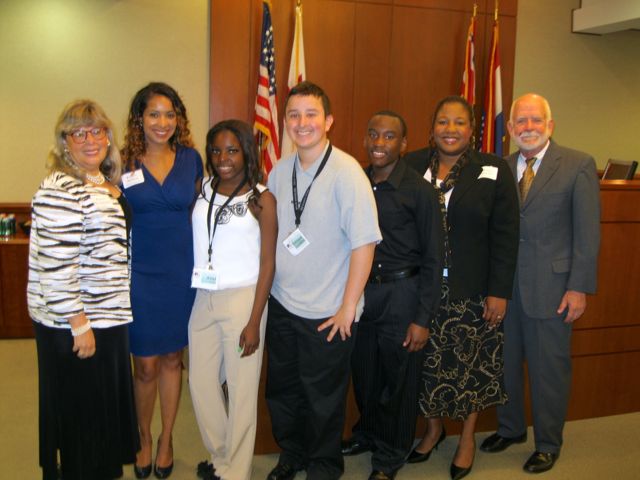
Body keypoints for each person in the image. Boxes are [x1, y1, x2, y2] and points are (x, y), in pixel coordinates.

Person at [265, 81, 382, 480]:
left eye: (311, 114)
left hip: (329, 313)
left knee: (324, 401)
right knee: (283, 393)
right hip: (283, 304)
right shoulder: (281, 171)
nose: (302, 123)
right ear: (285, 121)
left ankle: (323, 467)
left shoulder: (348, 173)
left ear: (328, 120)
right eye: (294, 115)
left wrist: (348, 307)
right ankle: (292, 455)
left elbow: (364, 244)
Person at [480, 93, 601, 474]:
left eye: (536, 121)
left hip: (553, 288)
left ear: (550, 125)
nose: (528, 127)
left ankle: (548, 442)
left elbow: (587, 232)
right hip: (504, 288)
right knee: (506, 364)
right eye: (521, 121)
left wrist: (578, 286)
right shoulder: (498, 167)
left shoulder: (578, 164)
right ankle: (511, 428)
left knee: (549, 370)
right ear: (511, 128)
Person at [405, 95, 520, 480]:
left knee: (472, 367)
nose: (450, 130)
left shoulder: (494, 168)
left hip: (474, 289)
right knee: (426, 365)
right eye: (442, 122)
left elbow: (505, 235)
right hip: (422, 289)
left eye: (458, 123)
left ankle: (467, 437)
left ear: (472, 130)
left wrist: (498, 290)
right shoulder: (412, 164)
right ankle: (434, 428)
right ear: (431, 127)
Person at [27, 99, 139, 480]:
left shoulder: (101, 182)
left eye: (97, 131)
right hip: (77, 324)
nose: (90, 140)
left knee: (99, 420)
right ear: (64, 141)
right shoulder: (61, 187)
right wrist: (79, 323)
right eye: (79, 132)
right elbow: (55, 266)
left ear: (108, 136)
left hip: (106, 316)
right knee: (82, 424)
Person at [340, 111, 442, 480]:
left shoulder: (419, 191)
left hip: (403, 294)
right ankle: (368, 433)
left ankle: (389, 457)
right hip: (362, 292)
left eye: (388, 137)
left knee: (398, 381)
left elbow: (434, 258)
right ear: (365, 140)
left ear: (404, 144)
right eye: (373, 135)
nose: (379, 144)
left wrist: (422, 319)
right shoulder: (355, 183)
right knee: (365, 374)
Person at [121, 82, 203, 479]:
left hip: (180, 274)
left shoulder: (191, 159)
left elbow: (203, 213)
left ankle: (167, 437)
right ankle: (143, 438)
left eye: (170, 114)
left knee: (173, 358)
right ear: (140, 118)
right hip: (138, 277)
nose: (163, 122)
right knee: (145, 366)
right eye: (154, 113)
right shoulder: (122, 162)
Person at [189, 120, 277, 480]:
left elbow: (268, 262)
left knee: (241, 390)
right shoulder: (202, 188)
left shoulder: (260, 198)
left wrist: (254, 320)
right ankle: (222, 454)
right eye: (216, 150)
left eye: (232, 150)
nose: (223, 158)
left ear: (245, 152)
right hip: (204, 295)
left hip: (244, 299)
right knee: (201, 383)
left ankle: (235, 471)